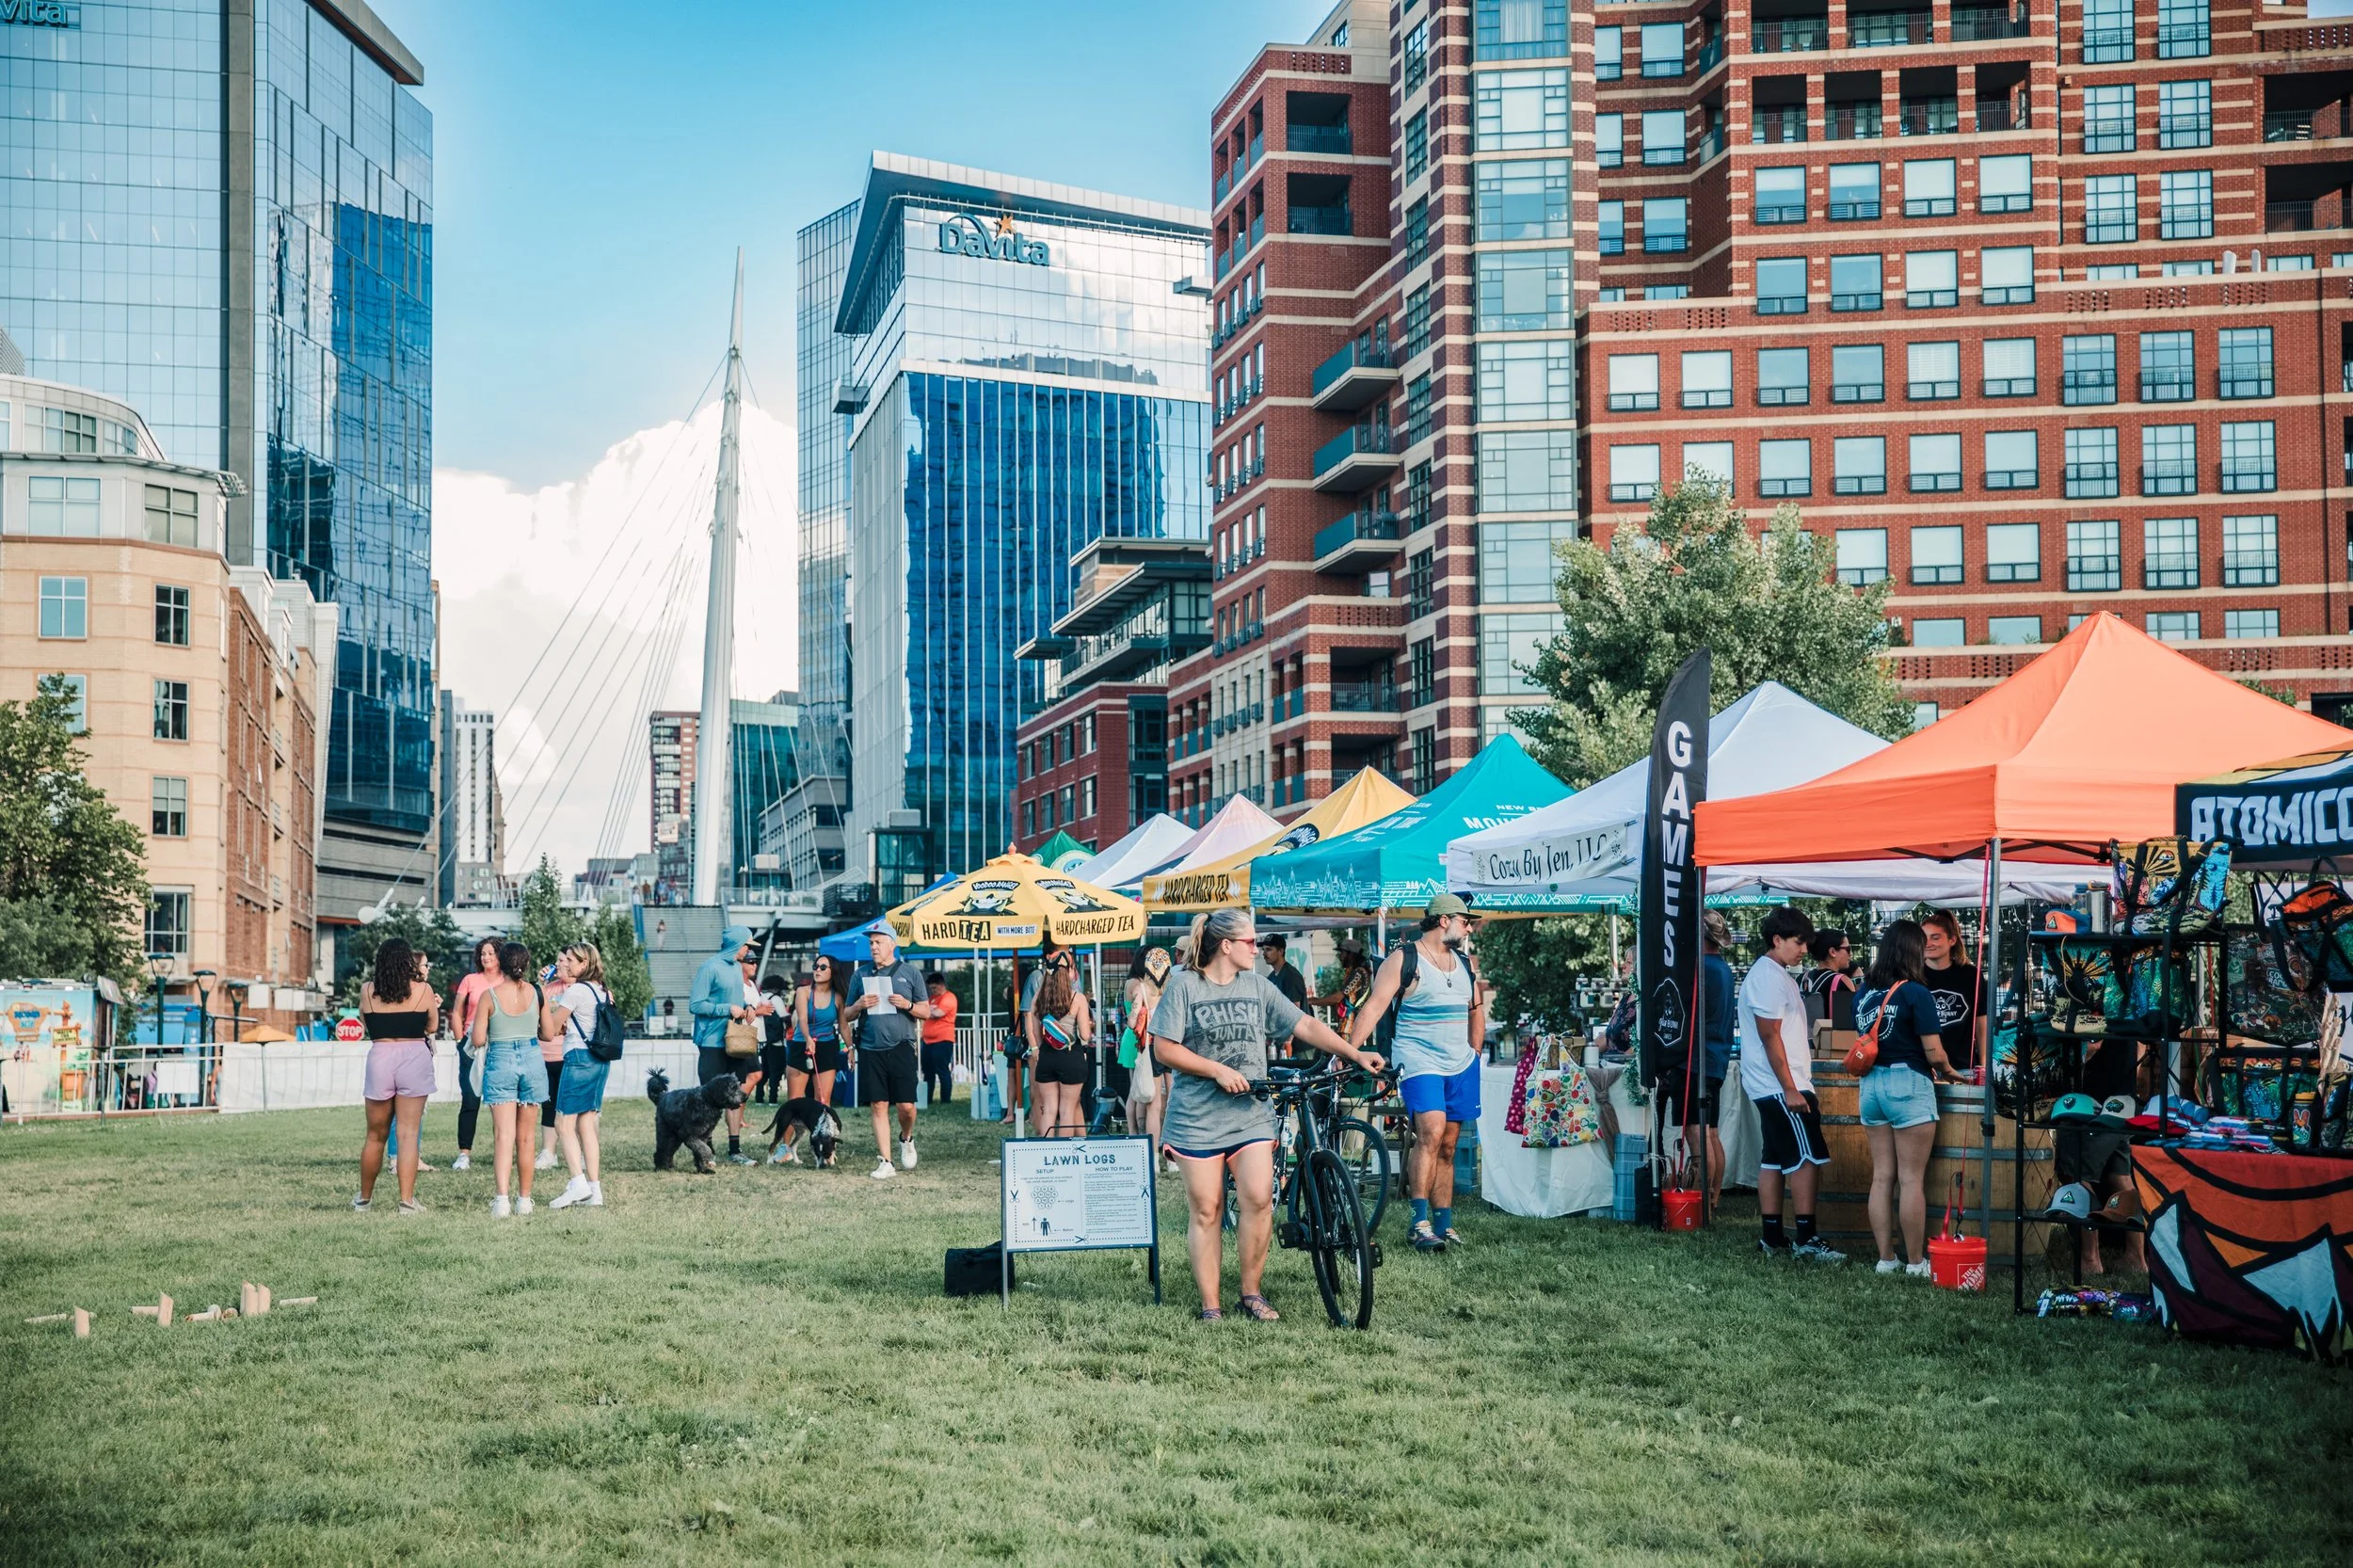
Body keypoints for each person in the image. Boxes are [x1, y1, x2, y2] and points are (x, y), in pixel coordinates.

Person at [1153, 907, 1386, 1321]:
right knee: (1207, 1209)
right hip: (1196, 1118)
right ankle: (1211, 1305)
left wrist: (1353, 1052)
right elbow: (1164, 1049)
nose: (1258, 948)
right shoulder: (1184, 986)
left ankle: (1252, 1292)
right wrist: (1217, 1070)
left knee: (1259, 1199)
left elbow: (1305, 1026)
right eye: (1250, 942)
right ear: (1226, 946)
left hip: (1250, 1115)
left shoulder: (1258, 987)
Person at [1348, 893, 1484, 1252]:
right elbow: (1375, 1006)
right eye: (1465, 920)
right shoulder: (1404, 958)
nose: (1469, 926)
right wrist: (1349, 1050)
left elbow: (1476, 1008)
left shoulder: (1464, 962)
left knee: (1450, 1146)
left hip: (1460, 1062)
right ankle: (1418, 1222)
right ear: (1444, 921)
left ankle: (1444, 1224)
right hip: (1419, 1058)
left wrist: (1476, 1049)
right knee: (1431, 1132)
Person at [1851, 920, 1961, 1275]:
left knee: (1882, 1176)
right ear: (1912, 952)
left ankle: (1885, 1259)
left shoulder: (1863, 992)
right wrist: (1950, 1073)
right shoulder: (1916, 993)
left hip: (1870, 1086)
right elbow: (1934, 1053)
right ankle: (1916, 1262)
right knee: (1911, 1178)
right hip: (1907, 1083)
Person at [1737, 905, 1844, 1263]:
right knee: (1804, 1158)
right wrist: (1790, 1088)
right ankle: (1806, 1238)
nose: (1804, 950)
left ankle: (1771, 1237)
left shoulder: (1776, 973)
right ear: (1777, 939)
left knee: (1774, 1158)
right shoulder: (1768, 977)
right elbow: (1770, 1036)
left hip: (1773, 1084)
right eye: (1799, 942)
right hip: (1781, 1086)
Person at [354, 937, 440, 1214]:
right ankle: (406, 1201)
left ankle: (364, 1200)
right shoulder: (423, 990)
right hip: (414, 1055)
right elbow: (433, 1025)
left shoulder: (367, 990)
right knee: (408, 1134)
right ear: (407, 961)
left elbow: (365, 1022)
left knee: (375, 1135)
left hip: (380, 1056)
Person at [844, 925, 935, 1178]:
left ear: (892, 945)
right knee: (878, 1104)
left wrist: (907, 1005)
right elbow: (847, 1013)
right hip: (870, 1046)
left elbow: (926, 1012)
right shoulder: (860, 975)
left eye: (878, 942)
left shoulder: (910, 973)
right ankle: (886, 1161)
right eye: (871, 943)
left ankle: (906, 1138)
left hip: (902, 1045)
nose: (873, 947)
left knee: (906, 1106)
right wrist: (860, 1005)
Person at [1660, 910, 1736, 1212]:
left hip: (1695, 1062)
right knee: (1711, 1132)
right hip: (1714, 1059)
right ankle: (1713, 1197)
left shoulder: (1700, 969)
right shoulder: (1722, 968)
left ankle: (1700, 1201)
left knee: (1697, 1131)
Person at [2057, 1035, 2148, 1276]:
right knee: (2119, 1176)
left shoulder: (2095, 1000)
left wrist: (2069, 1067)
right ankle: (2136, 1257)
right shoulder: (2122, 1001)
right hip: (2123, 1099)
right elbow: (2140, 1045)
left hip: (2093, 1104)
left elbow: (2091, 1045)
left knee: (2075, 1174)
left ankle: (2090, 1259)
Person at [472, 940, 547, 1215]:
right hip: (532, 1059)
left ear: (500, 964)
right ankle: (524, 1200)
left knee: (504, 1136)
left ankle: (502, 1201)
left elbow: (479, 1038)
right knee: (526, 1138)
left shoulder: (489, 996)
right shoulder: (537, 994)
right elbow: (548, 1033)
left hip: (501, 1061)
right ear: (526, 965)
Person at [543, 943, 614, 1211]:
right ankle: (595, 1191)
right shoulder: (604, 991)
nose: (567, 964)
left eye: (571, 960)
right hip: (600, 1060)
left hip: (578, 1059)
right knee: (586, 1124)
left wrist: (546, 1014)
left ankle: (577, 1183)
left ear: (584, 964)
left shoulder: (574, 991)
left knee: (563, 1123)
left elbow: (549, 1029)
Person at [687, 923, 762, 1164]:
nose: (748, 952)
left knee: (735, 1095)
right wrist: (725, 1009)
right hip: (711, 1041)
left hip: (734, 1040)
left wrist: (748, 1008)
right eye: (747, 947)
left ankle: (734, 1149)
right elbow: (695, 1005)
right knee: (708, 1098)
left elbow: (737, 999)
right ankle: (707, 1151)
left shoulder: (734, 969)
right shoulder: (709, 968)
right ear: (737, 945)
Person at [774, 957, 846, 1164]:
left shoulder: (838, 997)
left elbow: (843, 1025)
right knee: (794, 1101)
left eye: (823, 967)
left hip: (827, 1046)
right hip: (801, 1045)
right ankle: (784, 1148)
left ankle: (826, 1144)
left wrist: (849, 1048)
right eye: (815, 966)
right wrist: (807, 1039)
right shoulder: (804, 992)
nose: (817, 970)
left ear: (833, 971)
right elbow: (802, 1020)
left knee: (823, 1102)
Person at [1024, 947, 1096, 1139]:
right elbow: (1085, 1035)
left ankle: (1047, 1149)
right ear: (1069, 972)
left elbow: (1037, 1034)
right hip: (1071, 1057)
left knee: (1048, 1109)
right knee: (1067, 1110)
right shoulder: (1078, 998)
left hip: (1047, 1056)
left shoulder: (1039, 999)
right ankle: (1064, 1154)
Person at [447, 936, 501, 1171]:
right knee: (470, 1100)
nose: (486, 957)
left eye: (490, 953)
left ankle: (502, 1151)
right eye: (482, 953)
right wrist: (460, 1040)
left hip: (498, 1045)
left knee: (500, 1103)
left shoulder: (508, 981)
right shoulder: (470, 980)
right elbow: (457, 1011)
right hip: (471, 1044)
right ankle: (464, 1154)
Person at [1123, 947, 1173, 1167]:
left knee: (1151, 1101)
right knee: (1172, 1100)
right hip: (1172, 1044)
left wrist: (1136, 1013)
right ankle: (1172, 1158)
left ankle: (1152, 1158)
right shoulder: (1171, 987)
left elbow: (1133, 1023)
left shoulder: (1142, 988)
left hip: (1150, 1046)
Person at [1920, 909, 1987, 1074]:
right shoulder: (1913, 975)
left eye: (1935, 937)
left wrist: (1984, 1063)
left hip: (1963, 1066)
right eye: (1923, 938)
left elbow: (1981, 1022)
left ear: (1952, 940)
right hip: (1924, 1069)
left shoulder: (1970, 974)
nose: (1928, 943)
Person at [1307, 936, 1374, 1032]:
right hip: (1348, 1026)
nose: (1340, 956)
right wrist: (1318, 1000)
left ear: (1351, 955)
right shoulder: (1356, 972)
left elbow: (1338, 998)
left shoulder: (1358, 973)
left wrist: (1313, 1001)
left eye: (1342, 953)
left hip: (1350, 1026)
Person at [1801, 928, 1860, 1033]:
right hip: (1828, 1047)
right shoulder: (1841, 981)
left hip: (1803, 1045)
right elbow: (1846, 1027)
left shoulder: (1801, 979)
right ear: (1832, 952)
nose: (1850, 954)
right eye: (1848, 949)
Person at [920, 972, 958, 1109]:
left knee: (942, 1070)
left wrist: (925, 1010)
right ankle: (928, 1099)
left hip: (943, 1040)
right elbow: (926, 1012)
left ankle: (945, 1100)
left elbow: (937, 1013)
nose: (933, 991)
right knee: (928, 1071)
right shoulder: (933, 999)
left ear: (942, 985)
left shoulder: (949, 998)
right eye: (931, 988)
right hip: (927, 1041)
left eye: (935, 988)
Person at [753, 973, 792, 1105]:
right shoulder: (775, 999)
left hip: (763, 1040)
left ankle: (759, 1098)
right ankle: (773, 1099)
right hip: (776, 1041)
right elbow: (784, 1017)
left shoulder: (760, 997)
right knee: (776, 1070)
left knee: (765, 1070)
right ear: (776, 988)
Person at [1257, 934, 1310, 1010]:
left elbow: (1295, 1011)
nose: (1264, 954)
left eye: (1268, 949)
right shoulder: (1272, 976)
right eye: (1263, 950)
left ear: (1281, 951)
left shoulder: (1291, 976)